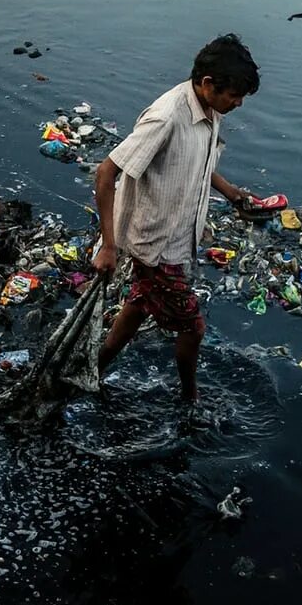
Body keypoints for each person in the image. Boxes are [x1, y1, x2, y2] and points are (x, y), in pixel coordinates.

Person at [92, 34, 260, 403]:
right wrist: (108, 246)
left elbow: (196, 163)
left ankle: (93, 369)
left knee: (137, 308)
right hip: (154, 245)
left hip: (175, 240)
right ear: (207, 84)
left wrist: (232, 194)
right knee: (193, 329)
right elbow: (106, 173)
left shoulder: (209, 112)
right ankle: (190, 400)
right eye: (233, 94)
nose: (238, 102)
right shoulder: (166, 117)